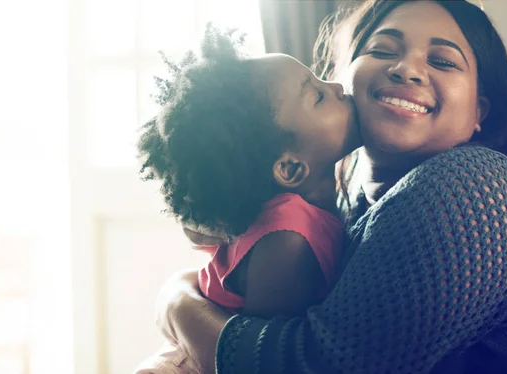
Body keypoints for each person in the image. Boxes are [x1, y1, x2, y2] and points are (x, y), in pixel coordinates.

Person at [152, 1, 507, 373]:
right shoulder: (347, 198)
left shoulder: (472, 185)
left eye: (443, 61)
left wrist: (177, 304)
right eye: (383, 50)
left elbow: (316, 366)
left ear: (479, 111)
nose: (407, 68)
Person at [133, 25, 361, 373]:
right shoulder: (288, 237)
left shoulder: (297, 211)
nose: (337, 87)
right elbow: (258, 358)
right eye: (317, 96)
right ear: (289, 167)